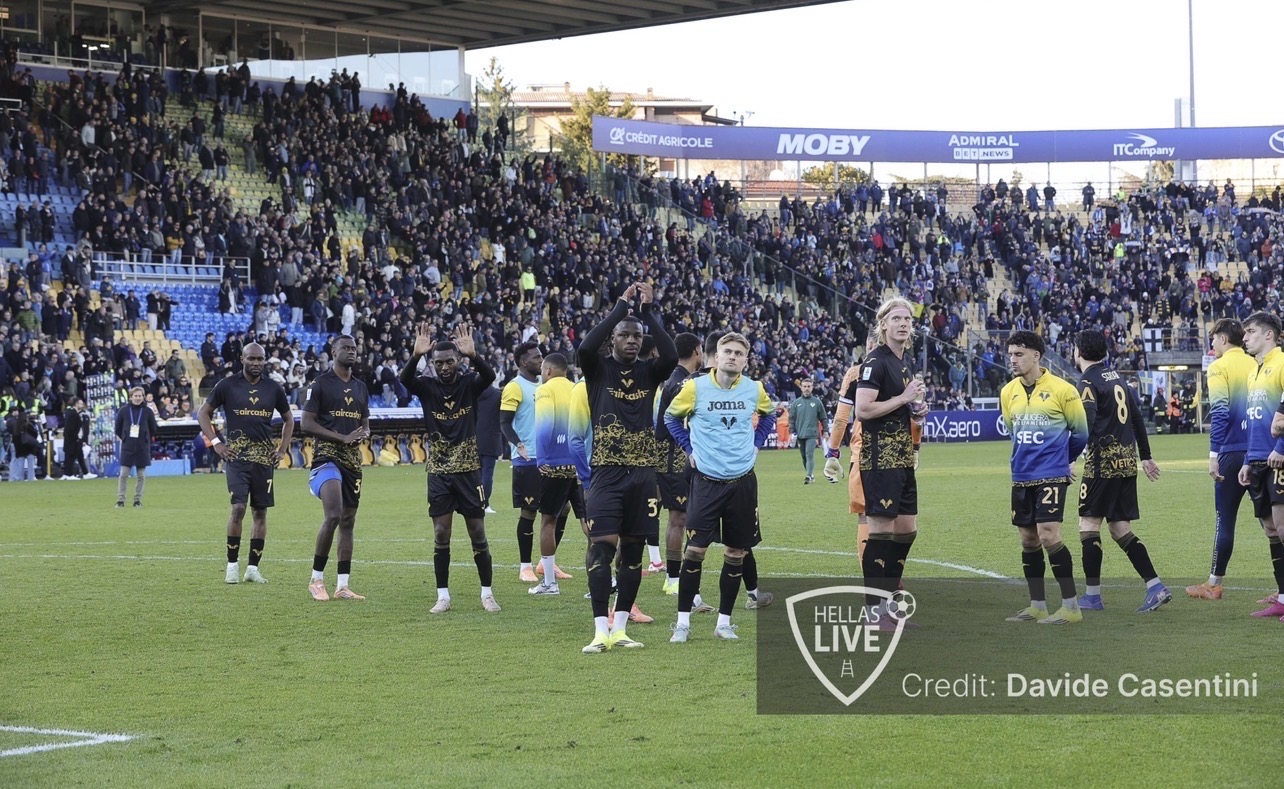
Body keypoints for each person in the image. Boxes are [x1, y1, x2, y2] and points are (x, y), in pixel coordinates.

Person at [576, 281, 677, 654]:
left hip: (643, 474)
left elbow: (670, 354)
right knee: (601, 547)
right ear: (613, 340)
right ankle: (599, 629)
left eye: (637, 336)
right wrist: (621, 307)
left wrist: (648, 312)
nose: (632, 341)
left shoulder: (650, 373)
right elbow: (585, 347)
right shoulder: (598, 369)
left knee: (633, 551)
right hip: (606, 472)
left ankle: (619, 629)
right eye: (624, 335)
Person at [664, 332, 776, 643]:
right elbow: (671, 418)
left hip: (742, 482)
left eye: (739, 353)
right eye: (727, 351)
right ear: (716, 356)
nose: (732, 357)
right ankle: (682, 623)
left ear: (745, 360)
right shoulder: (695, 387)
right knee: (695, 550)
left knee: (736, 552)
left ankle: (724, 623)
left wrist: (757, 443)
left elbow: (769, 415)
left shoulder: (754, 389)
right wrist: (689, 448)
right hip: (706, 481)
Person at [401, 322, 500, 614]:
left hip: (469, 470)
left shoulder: (469, 384)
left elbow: (489, 376)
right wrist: (415, 355)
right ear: (432, 364)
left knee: (477, 532)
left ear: (457, 361)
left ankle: (487, 594)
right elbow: (405, 379)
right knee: (441, 533)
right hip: (439, 471)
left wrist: (474, 355)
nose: (444, 367)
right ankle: (443, 596)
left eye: (449, 362)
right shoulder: (427, 387)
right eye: (439, 363)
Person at [1072, 330, 1168, 613]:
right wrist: (1145, 456)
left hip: (1102, 466)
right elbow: (1136, 417)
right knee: (1119, 528)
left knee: (1088, 525)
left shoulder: (1087, 381)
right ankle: (1156, 587)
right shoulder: (1117, 377)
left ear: (1079, 351)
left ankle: (1092, 596)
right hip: (1126, 463)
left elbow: (1086, 421)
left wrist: (1070, 457)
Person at [1000, 330, 1089, 624]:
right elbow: (1013, 431)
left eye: (1019, 354)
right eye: (1011, 354)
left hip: (1051, 474)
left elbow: (1080, 434)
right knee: (1028, 540)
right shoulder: (1008, 392)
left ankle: (1071, 607)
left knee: (1049, 534)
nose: (1013, 360)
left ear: (1036, 356)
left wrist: (1061, 460)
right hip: (1021, 474)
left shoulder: (1064, 390)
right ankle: (1037, 605)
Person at [853, 298, 928, 625]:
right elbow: (863, 410)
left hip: (902, 459)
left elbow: (898, 405)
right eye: (896, 318)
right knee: (881, 533)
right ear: (883, 325)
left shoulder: (902, 362)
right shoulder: (875, 361)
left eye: (907, 319)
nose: (903, 324)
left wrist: (915, 409)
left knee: (907, 530)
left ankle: (889, 603)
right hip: (880, 460)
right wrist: (903, 398)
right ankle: (875, 611)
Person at [198, 342, 294, 585]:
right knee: (238, 508)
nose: (256, 363)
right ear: (242, 359)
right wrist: (216, 443)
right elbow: (203, 413)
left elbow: (289, 418)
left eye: (260, 359)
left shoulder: (273, 388)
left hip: (263, 460)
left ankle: (252, 568)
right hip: (236, 458)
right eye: (251, 358)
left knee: (260, 513)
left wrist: (282, 449)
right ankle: (232, 566)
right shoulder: (227, 385)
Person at [1189, 319, 1254, 599]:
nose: (1212, 344)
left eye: (1213, 338)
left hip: (1231, 452)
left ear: (1224, 339)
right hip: (1259, 450)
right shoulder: (1257, 363)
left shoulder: (1218, 367)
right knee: (1272, 522)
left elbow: (1220, 412)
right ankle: (1281, 589)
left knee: (1225, 518)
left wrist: (1213, 454)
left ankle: (1214, 583)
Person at [302, 335, 370, 601]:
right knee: (333, 515)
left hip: (352, 461)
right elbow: (306, 423)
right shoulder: (320, 384)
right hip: (327, 458)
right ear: (333, 352)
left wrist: (363, 433)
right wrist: (342, 437)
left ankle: (342, 586)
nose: (351, 352)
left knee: (348, 521)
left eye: (354, 348)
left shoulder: (361, 387)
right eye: (346, 348)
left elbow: (365, 424)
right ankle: (316, 579)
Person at [1236, 312, 1284, 619]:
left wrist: (1281, 448)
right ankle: (1282, 597)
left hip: (1277, 458)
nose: (1245, 338)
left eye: (1250, 332)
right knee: (1270, 529)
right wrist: (1246, 460)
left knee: (1282, 526)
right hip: (1256, 460)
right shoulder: (1254, 371)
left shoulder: (1281, 363)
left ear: (1269, 335)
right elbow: (1253, 421)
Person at [528, 353, 581, 596]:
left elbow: (544, 426)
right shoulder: (577, 389)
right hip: (578, 464)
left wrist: (541, 458)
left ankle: (549, 582)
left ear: (548, 370)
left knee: (548, 521)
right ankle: (602, 579)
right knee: (588, 522)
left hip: (555, 465)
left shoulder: (545, 390)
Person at [654, 332, 703, 595]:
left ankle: (676, 575)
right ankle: (673, 579)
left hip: (673, 457)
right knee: (678, 517)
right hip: (674, 457)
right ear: (697, 351)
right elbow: (671, 426)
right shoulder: (682, 383)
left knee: (682, 517)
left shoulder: (674, 380)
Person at [500, 341, 543, 582]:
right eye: (536, 357)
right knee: (530, 512)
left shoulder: (545, 384)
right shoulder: (515, 387)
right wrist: (518, 444)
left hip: (550, 457)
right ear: (523, 362)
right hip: (527, 459)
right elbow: (505, 422)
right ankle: (525, 566)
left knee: (561, 509)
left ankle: (546, 562)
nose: (541, 360)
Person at [115, 387, 158, 506]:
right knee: (123, 474)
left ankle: (137, 500)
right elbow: (117, 428)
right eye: (135, 396)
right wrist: (125, 437)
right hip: (127, 446)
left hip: (142, 447)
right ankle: (120, 500)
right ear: (131, 397)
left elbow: (153, 428)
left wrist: (145, 437)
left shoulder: (148, 411)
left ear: (143, 397)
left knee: (141, 476)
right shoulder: (123, 410)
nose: (138, 398)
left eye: (140, 396)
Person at [788, 377, 828, 484]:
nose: (806, 388)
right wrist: (792, 432)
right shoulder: (796, 403)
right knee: (804, 456)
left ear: (812, 387)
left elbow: (823, 418)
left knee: (809, 454)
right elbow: (791, 418)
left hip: (812, 434)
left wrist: (825, 431)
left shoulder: (817, 402)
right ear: (801, 388)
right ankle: (811, 475)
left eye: (808, 386)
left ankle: (809, 476)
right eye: (804, 386)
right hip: (800, 434)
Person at [476, 385, 501, 514]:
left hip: (473, 437)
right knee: (487, 473)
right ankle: (485, 504)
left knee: (475, 474)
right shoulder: (497, 395)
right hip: (491, 438)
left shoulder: (472, 393)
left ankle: (475, 502)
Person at [61, 398, 91, 479]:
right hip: (73, 439)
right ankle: (69, 474)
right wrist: (76, 437)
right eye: (80, 403)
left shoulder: (76, 414)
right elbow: (70, 428)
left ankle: (85, 473)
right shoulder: (72, 414)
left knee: (79, 456)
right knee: (71, 456)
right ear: (76, 404)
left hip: (76, 438)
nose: (82, 405)